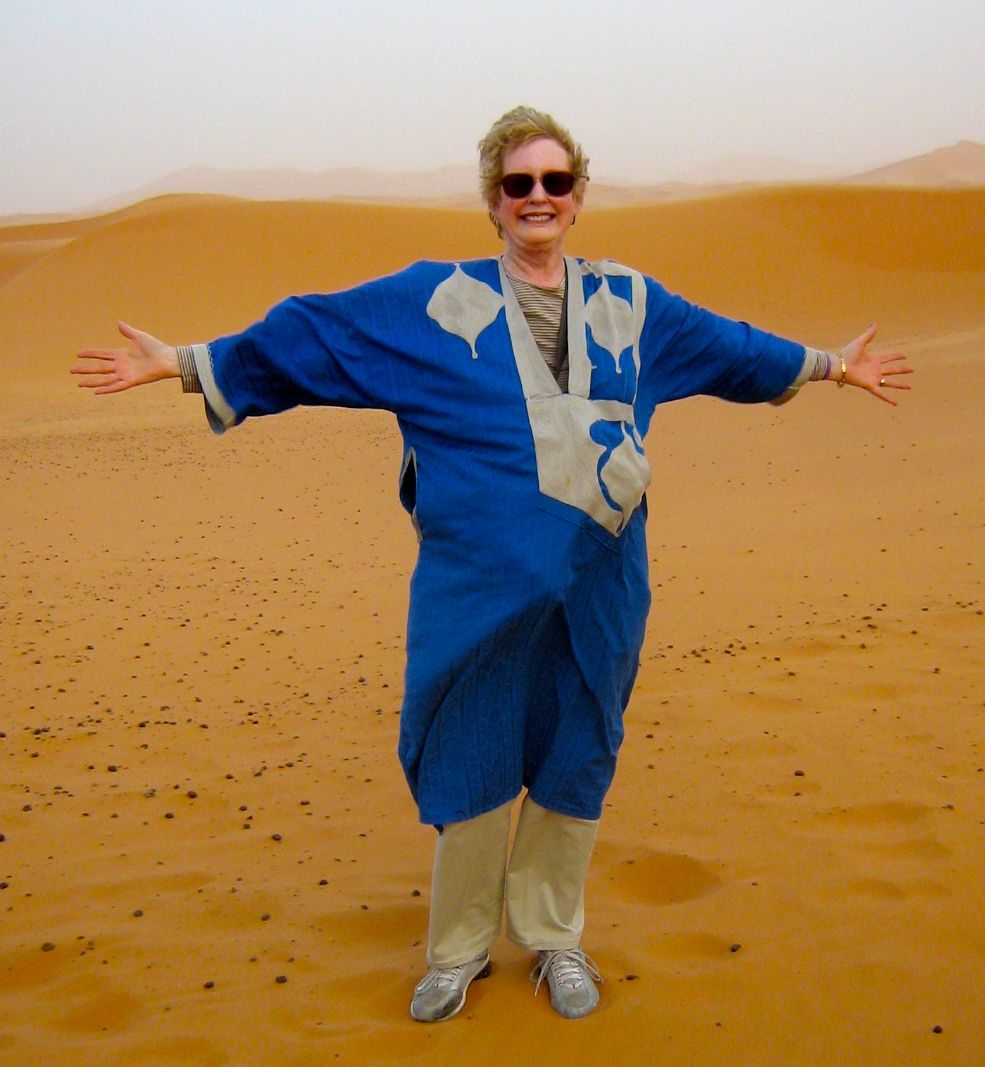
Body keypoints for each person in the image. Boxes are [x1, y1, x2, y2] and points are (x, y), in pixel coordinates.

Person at [72, 105, 912, 1023]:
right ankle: (458, 949)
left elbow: (729, 347)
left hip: (599, 580)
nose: (538, 198)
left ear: (579, 196)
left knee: (578, 743)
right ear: (493, 202)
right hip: (474, 592)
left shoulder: (631, 303)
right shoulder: (431, 303)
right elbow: (317, 335)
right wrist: (190, 362)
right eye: (519, 184)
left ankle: (554, 937)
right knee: (470, 748)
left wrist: (831, 365)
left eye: (555, 182)